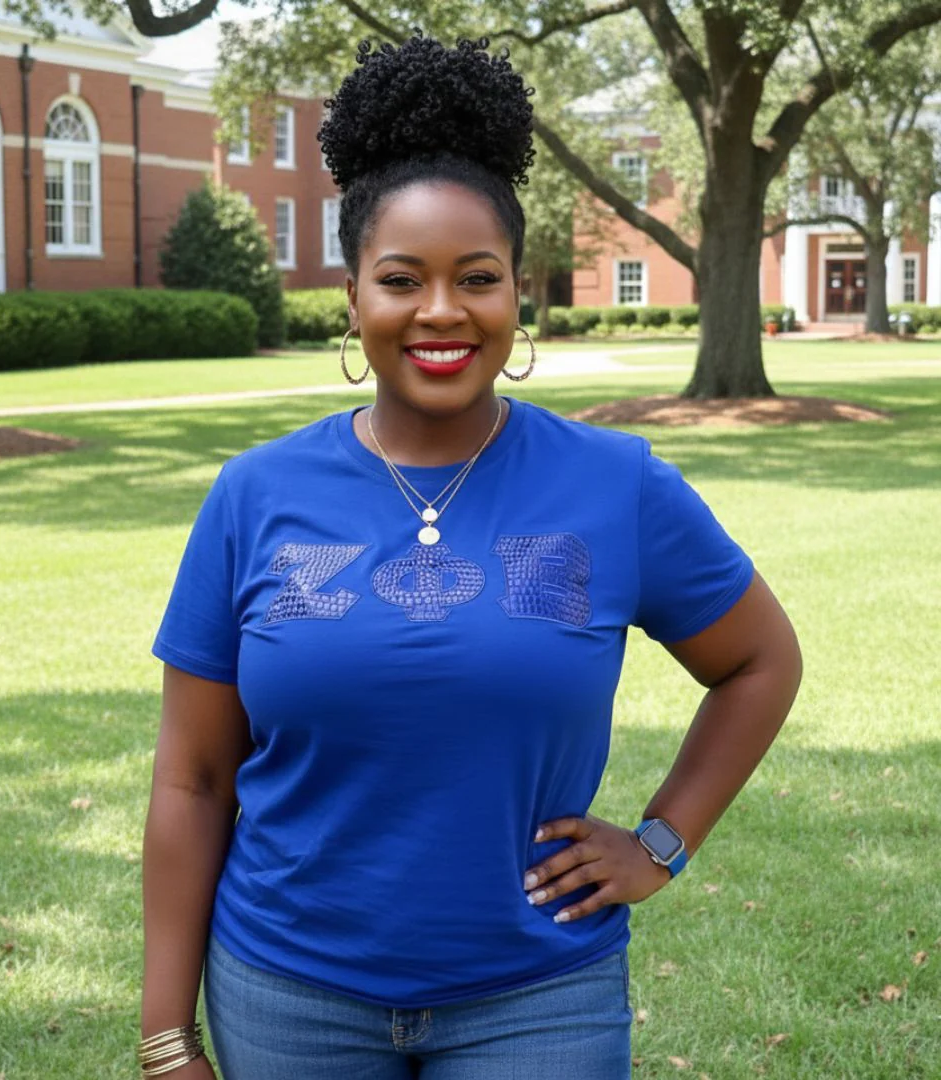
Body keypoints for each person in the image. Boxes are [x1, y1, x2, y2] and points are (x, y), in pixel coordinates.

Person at [139, 32, 802, 1080]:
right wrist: (166, 1034)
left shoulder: (616, 485)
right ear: (353, 300)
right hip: (287, 996)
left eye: (477, 278)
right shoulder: (254, 495)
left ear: (516, 297)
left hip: (540, 999)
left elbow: (761, 661)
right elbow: (193, 778)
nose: (441, 310)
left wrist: (661, 843)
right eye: (401, 278)